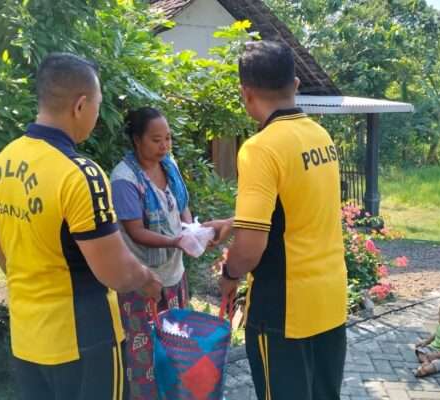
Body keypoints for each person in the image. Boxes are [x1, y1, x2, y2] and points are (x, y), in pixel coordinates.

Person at [0, 53, 162, 400]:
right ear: (80, 105)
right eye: (97, 105)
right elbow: (116, 272)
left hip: (27, 338)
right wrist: (146, 279)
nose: (96, 114)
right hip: (85, 340)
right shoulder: (80, 175)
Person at [204, 40, 348, 400]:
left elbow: (250, 249)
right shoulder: (320, 136)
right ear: (295, 84)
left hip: (285, 310)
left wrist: (229, 276)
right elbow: (297, 207)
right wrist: (234, 222)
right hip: (330, 300)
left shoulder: (260, 148)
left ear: (246, 93)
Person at [110, 107, 193, 400]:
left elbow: (181, 206)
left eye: (168, 138)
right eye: (156, 140)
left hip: (175, 275)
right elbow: (135, 232)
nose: (164, 146)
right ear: (137, 140)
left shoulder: (169, 166)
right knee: (144, 354)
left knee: (177, 346)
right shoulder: (124, 179)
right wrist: (177, 241)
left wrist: (193, 231)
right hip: (142, 281)